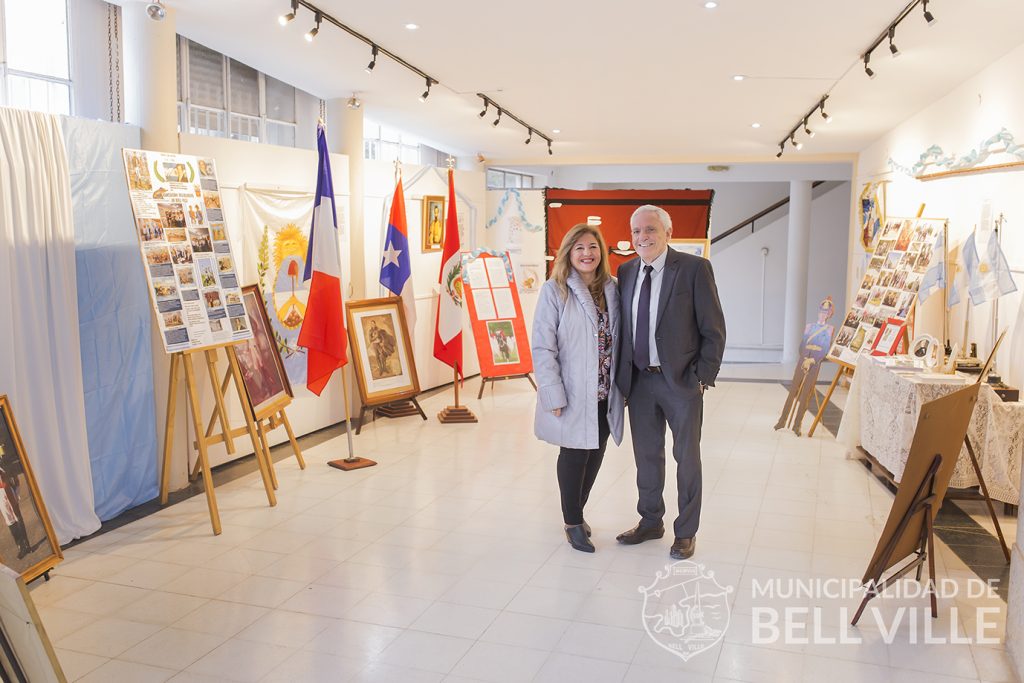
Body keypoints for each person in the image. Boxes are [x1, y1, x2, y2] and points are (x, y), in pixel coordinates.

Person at [615, 205, 726, 560]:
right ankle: (650, 521)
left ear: (667, 233)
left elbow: (714, 329)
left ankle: (686, 531)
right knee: (647, 457)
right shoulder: (626, 271)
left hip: (680, 382)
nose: (641, 237)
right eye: (635, 231)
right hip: (640, 383)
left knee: (686, 458)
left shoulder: (693, 268)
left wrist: (701, 378)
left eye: (649, 229)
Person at [532, 223, 625, 553]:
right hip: (572, 391)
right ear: (568, 254)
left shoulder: (613, 289)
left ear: (601, 252)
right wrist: (552, 391)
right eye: (579, 248)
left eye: (593, 247)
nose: (587, 253)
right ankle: (572, 522)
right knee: (574, 455)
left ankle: (577, 510)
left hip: (604, 392)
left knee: (596, 453)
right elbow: (543, 347)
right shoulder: (555, 290)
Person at [774, 297, 835, 435]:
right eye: (821, 310)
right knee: (793, 391)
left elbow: (825, 349)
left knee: (805, 394)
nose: (823, 314)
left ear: (830, 314)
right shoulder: (809, 326)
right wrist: (805, 358)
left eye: (826, 311)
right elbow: (802, 344)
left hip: (815, 363)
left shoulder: (829, 329)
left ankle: (797, 424)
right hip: (803, 360)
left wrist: (812, 361)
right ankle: (782, 420)